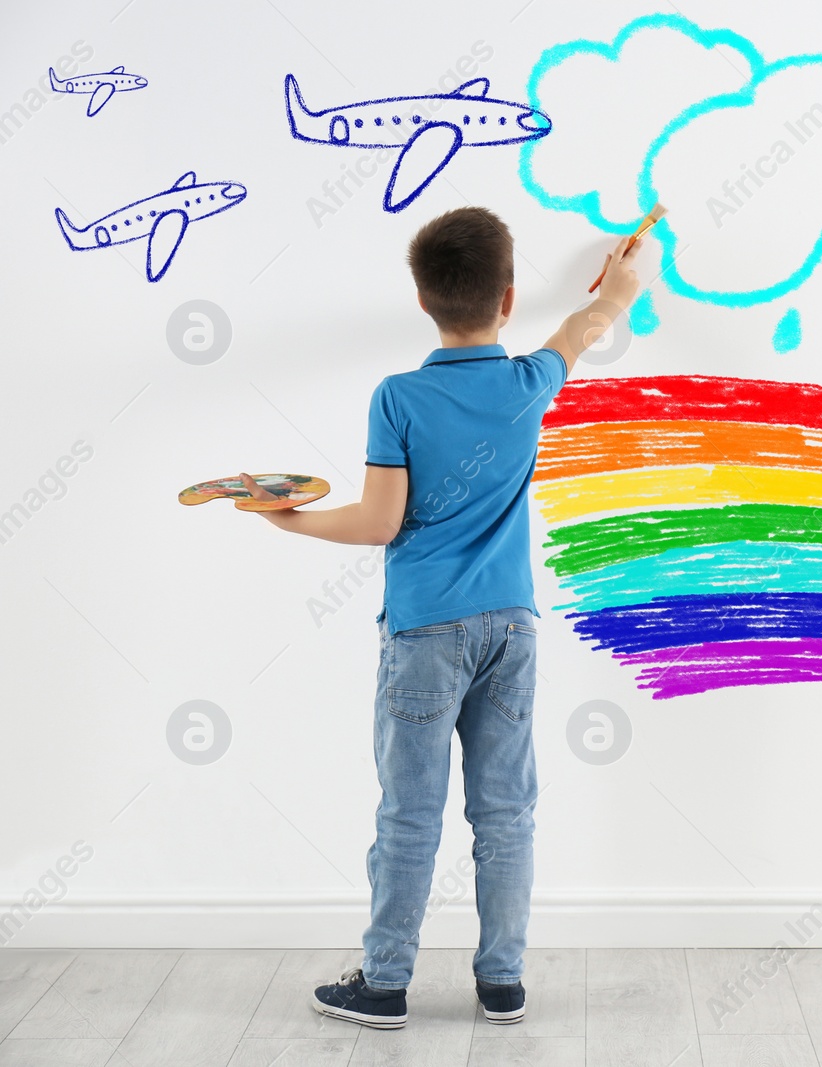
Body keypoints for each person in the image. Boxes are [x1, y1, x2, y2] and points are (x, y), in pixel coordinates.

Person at [239, 206, 645, 1028]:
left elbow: (381, 522)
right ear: (507, 296)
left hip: (426, 631)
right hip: (513, 628)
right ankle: (502, 983)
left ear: (422, 300)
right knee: (506, 811)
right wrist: (625, 277)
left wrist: (290, 519)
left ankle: (385, 983)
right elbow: (588, 322)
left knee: (410, 811)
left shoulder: (400, 397)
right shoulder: (530, 379)